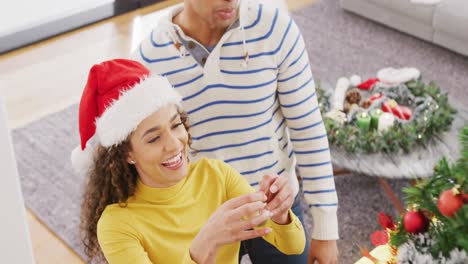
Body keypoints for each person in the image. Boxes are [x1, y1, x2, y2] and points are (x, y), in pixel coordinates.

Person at [132, 0, 339, 263]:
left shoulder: (274, 29)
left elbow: (307, 127)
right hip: (202, 220)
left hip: (273, 208)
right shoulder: (149, 60)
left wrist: (326, 229)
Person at [72, 59, 306, 264]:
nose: (174, 143)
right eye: (154, 138)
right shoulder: (117, 224)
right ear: (127, 154)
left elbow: (292, 246)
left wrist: (280, 214)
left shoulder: (216, 175)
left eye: (176, 125)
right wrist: (204, 245)